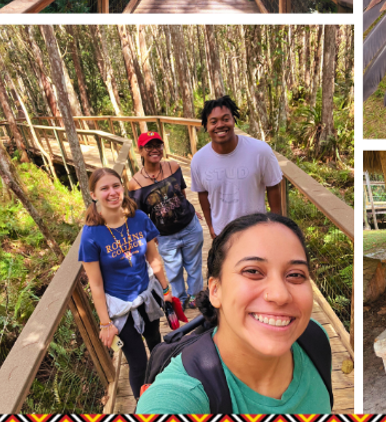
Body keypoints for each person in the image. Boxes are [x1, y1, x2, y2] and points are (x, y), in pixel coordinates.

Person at [136, 213, 331, 413]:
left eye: (296, 275)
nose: (280, 295)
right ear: (215, 290)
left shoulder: (314, 338)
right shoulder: (181, 393)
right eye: (253, 271)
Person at [80, 167, 172, 399]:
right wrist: (104, 323)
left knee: (157, 345)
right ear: (93, 194)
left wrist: (166, 289)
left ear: (123, 188)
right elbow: (96, 284)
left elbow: (153, 258)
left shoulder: (138, 218)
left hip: (146, 295)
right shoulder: (91, 235)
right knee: (138, 362)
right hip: (120, 307)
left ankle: (164, 391)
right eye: (104, 188)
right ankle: (145, 406)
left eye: (116, 185)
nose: (112, 192)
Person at [128, 131, 204, 310]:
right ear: (140, 150)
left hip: (189, 226)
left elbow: (181, 193)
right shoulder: (135, 183)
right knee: (174, 270)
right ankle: (180, 298)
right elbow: (139, 215)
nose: (155, 150)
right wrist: (148, 234)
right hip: (164, 235)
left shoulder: (174, 167)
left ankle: (195, 296)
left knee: (194, 266)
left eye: (158, 145)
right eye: (149, 146)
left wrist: (190, 209)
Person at [190, 96, 283, 239]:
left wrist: (276, 224)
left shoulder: (260, 151)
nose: (220, 125)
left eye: (226, 119)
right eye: (213, 122)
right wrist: (210, 226)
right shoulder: (199, 160)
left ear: (234, 121)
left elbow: (273, 186)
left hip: (257, 231)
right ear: (206, 126)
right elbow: (202, 194)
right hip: (223, 234)